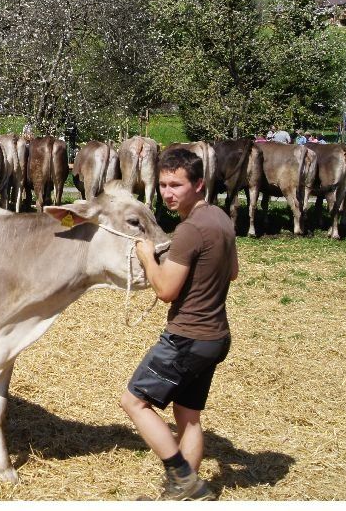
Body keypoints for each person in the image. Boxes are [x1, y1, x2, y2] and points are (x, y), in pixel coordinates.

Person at [121, 148, 237, 501]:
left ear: (198, 184)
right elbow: (232, 272)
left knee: (134, 402)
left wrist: (147, 258)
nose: (168, 193)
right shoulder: (220, 218)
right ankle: (185, 495)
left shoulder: (189, 230)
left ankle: (182, 477)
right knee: (188, 416)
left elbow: (166, 290)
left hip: (187, 338)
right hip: (215, 337)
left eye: (177, 185)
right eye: (163, 185)